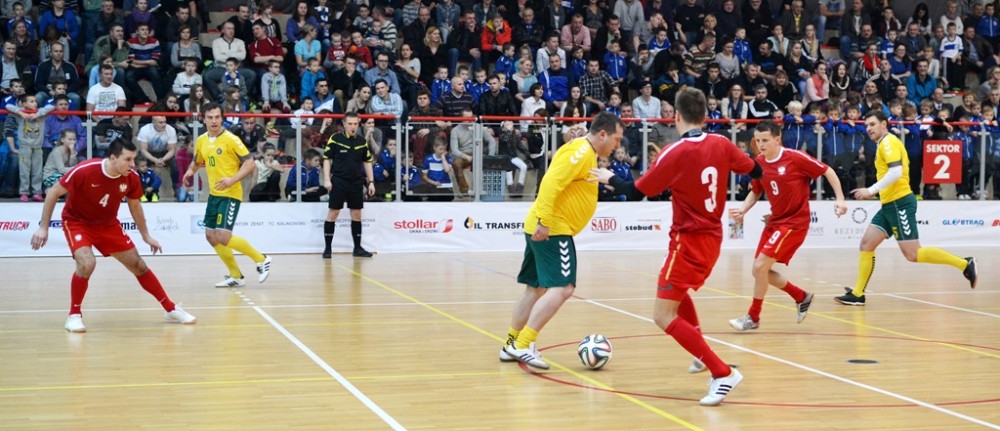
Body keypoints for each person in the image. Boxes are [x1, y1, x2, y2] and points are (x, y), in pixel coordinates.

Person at [590, 88, 762, 406]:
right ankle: (699, 351)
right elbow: (756, 171)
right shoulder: (722, 143)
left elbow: (636, 191)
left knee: (662, 315)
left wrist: (608, 177)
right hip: (713, 237)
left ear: (676, 117)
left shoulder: (675, 152)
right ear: (705, 116)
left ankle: (723, 373)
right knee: (675, 291)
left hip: (688, 242)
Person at [500, 111, 625, 371]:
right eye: (616, 139)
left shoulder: (583, 150)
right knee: (564, 287)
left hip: (543, 225)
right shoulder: (581, 151)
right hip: (553, 228)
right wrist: (545, 220)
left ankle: (511, 344)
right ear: (603, 134)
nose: (617, 145)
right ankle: (523, 344)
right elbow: (550, 183)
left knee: (535, 289)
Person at [30, 139, 196, 332]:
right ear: (113, 158)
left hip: (108, 224)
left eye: (133, 159)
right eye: (128, 159)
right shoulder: (85, 170)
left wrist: (146, 236)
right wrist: (43, 228)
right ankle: (74, 315)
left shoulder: (131, 177)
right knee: (87, 263)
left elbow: (135, 207)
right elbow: (53, 192)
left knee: (139, 265)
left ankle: (170, 308)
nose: (132, 164)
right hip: (77, 222)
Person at [835, 110, 978, 305]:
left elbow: (896, 172)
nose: (868, 128)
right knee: (867, 244)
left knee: (913, 254)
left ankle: (965, 264)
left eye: (872, 124)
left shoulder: (888, 142)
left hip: (899, 203)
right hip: (889, 204)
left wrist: (871, 190)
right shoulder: (883, 143)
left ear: (884, 124)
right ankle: (858, 294)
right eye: (866, 125)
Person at [727, 121, 848, 331]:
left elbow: (827, 171)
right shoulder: (759, 162)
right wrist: (743, 210)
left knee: (760, 267)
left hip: (794, 223)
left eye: (765, 140)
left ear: (777, 139)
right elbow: (756, 190)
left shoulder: (795, 158)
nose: (761, 144)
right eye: (758, 140)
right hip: (775, 222)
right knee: (759, 271)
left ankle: (753, 317)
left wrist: (840, 199)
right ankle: (801, 296)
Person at [182, 103, 271, 288]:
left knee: (222, 236)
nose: (214, 121)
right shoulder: (201, 140)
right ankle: (236, 276)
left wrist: (232, 180)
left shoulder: (231, 139)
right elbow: (197, 161)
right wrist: (190, 172)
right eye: (210, 117)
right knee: (210, 236)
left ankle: (261, 259)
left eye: (217, 117)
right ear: (203, 119)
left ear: (222, 118)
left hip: (230, 194)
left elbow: (250, 163)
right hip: (214, 195)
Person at [321, 112, 375, 258]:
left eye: (355, 124)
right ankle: (327, 249)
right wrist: (327, 179)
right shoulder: (335, 138)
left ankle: (357, 248)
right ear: (344, 124)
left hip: (356, 182)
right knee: (333, 213)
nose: (353, 127)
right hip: (339, 181)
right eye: (350, 124)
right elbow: (327, 159)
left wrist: (371, 182)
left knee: (357, 214)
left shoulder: (362, 141)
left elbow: (367, 161)